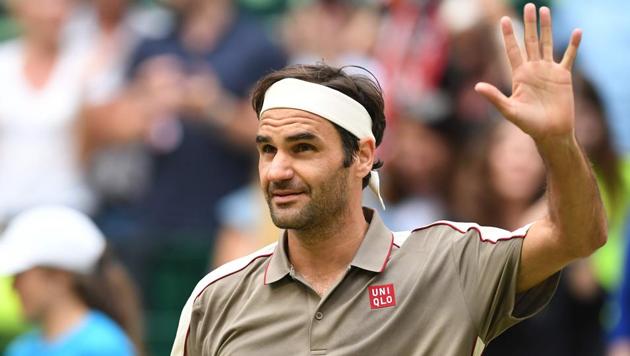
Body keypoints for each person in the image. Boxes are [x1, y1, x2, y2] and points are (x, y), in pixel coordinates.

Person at [171, 4, 607, 355]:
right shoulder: (216, 298)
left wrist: (557, 142)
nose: (278, 170)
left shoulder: (450, 262)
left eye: (303, 148)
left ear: (362, 156)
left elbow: (578, 237)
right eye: (268, 149)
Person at [0, 206, 142, 356]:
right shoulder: (21, 349)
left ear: (59, 276)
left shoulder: (102, 347)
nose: (13, 287)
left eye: (20, 275)